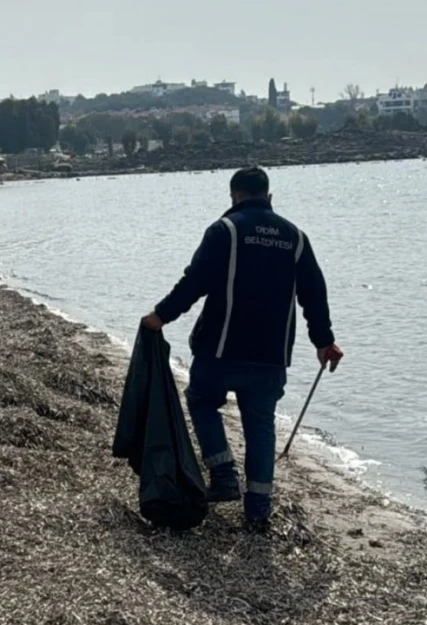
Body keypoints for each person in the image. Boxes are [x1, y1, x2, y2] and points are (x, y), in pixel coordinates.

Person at [141, 167, 343, 532]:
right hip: (270, 356)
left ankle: (223, 475)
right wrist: (324, 341)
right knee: (260, 425)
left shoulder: (225, 231)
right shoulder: (295, 237)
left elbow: (195, 282)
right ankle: (258, 510)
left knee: (202, 401)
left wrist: (160, 316)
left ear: (233, 196)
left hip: (221, 349)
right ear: (269, 196)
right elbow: (314, 292)